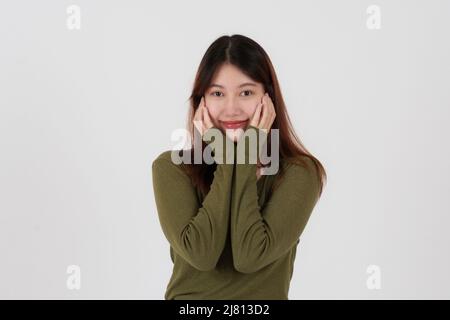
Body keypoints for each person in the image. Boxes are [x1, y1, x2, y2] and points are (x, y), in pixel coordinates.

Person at [152, 34, 327, 300]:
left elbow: (250, 256)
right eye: (217, 93)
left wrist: (242, 156)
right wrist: (228, 160)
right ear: (201, 102)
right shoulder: (172, 169)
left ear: (267, 99)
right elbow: (201, 254)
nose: (231, 108)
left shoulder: (299, 173)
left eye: (246, 92)